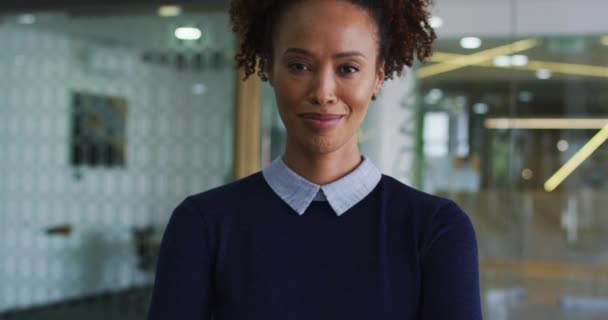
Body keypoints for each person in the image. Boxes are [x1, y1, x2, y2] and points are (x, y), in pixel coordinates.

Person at [147, 0, 482, 319]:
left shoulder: (436, 230)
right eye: (299, 66)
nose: (323, 92)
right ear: (268, 68)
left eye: (348, 68)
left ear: (378, 76)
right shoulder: (203, 225)